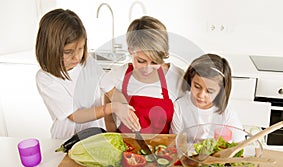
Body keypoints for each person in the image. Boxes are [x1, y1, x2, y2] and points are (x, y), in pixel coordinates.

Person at [35, 9, 139, 139]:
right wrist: (113, 107)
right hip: (66, 139)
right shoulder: (45, 78)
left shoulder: (87, 62)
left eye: (81, 48)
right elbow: (76, 116)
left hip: (96, 135)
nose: (77, 57)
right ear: (49, 48)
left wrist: (125, 108)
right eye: (68, 52)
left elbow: (110, 90)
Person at [101, 16, 185, 134]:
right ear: (131, 50)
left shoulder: (177, 77)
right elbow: (104, 84)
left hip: (163, 149)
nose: (147, 69)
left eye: (155, 62)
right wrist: (119, 104)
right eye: (141, 61)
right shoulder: (121, 74)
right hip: (127, 149)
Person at [170, 54, 244, 142]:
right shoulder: (180, 107)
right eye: (197, 86)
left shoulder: (226, 111)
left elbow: (239, 140)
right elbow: (174, 141)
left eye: (210, 91)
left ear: (221, 91)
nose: (201, 95)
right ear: (190, 80)